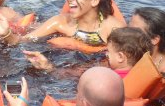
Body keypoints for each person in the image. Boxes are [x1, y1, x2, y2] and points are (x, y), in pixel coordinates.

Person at [24, 27, 152, 77]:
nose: (106, 54)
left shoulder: (108, 78)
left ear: (120, 57)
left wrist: (47, 67)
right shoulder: (137, 74)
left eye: (109, 51)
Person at [129, 7, 165, 74]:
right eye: (128, 28)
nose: (126, 33)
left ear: (154, 39)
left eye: (134, 31)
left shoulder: (161, 72)